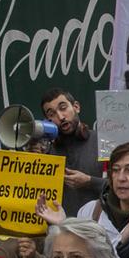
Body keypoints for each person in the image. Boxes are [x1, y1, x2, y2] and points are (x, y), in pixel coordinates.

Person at [39, 86, 105, 214]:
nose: (60, 116)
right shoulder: (46, 153)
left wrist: (89, 181)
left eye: (63, 108)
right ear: (48, 121)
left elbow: (123, 187)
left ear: (76, 107)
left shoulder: (103, 142)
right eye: (51, 114)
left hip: (97, 229)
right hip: (59, 230)